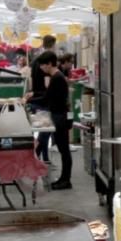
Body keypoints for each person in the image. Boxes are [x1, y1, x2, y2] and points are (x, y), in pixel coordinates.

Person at [29, 52, 73, 189]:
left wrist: (28, 100)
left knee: (63, 149)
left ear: (49, 64)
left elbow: (47, 98)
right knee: (63, 149)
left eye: (42, 64)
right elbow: (48, 95)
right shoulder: (56, 76)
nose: (41, 67)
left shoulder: (57, 78)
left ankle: (65, 180)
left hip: (61, 116)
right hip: (59, 115)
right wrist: (33, 95)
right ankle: (64, 179)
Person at [28, 35, 58, 164]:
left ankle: (44, 158)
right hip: (44, 100)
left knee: (43, 131)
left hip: (36, 98)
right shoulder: (47, 60)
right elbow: (48, 85)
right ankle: (36, 156)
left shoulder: (35, 60)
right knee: (45, 131)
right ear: (52, 44)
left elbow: (31, 79)